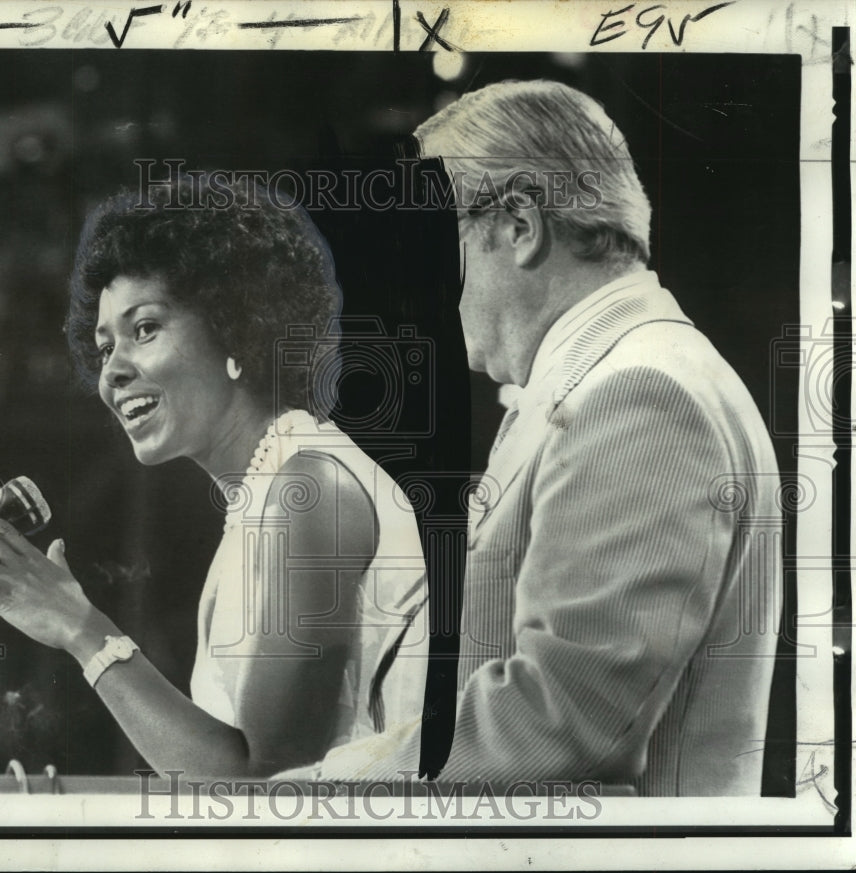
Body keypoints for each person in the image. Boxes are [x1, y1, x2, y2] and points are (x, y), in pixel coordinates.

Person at [295, 79, 782, 796]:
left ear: (520, 225)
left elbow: (562, 723)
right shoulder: (602, 384)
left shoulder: (639, 394)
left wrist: (318, 789)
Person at [0, 176, 429, 778]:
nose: (111, 372)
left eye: (144, 329)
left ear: (236, 324)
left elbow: (259, 792)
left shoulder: (310, 491)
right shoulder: (272, 494)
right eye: (104, 345)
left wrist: (81, 629)